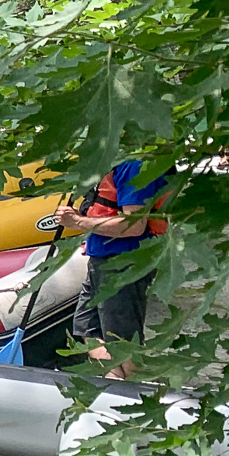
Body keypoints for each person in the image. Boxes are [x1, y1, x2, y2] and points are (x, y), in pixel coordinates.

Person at [54, 159, 169, 378]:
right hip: (102, 258)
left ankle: (138, 394)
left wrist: (78, 222)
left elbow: (134, 225)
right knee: (86, 329)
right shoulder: (113, 162)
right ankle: (115, 385)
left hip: (124, 264)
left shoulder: (133, 166)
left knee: (122, 344)